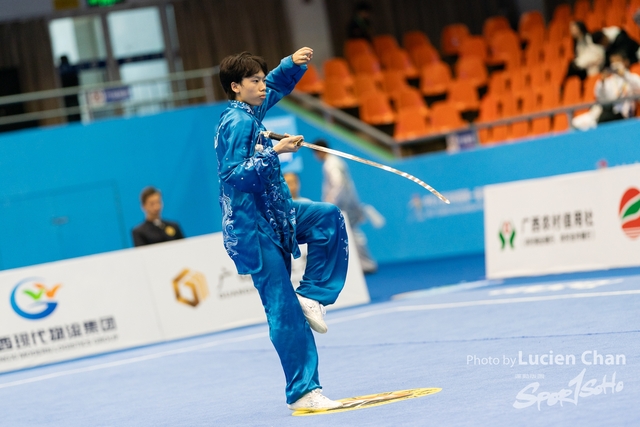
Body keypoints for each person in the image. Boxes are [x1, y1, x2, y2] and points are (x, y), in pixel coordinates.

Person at [214, 47, 348, 412]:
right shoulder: (236, 122)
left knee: (327, 217)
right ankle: (304, 392)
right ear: (235, 87)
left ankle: (314, 295)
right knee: (281, 309)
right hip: (252, 230)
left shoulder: (251, 110)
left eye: (260, 79)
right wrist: (277, 152)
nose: (262, 86)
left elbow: (274, 86)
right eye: (254, 81)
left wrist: (290, 65)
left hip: (277, 213)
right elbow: (233, 173)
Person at [313, 139, 379, 274]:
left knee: (353, 234)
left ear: (319, 151)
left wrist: (330, 203)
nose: (315, 156)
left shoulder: (331, 164)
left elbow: (338, 184)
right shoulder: (334, 161)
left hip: (344, 206)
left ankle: (366, 264)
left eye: (315, 152)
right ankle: (363, 264)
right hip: (346, 204)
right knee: (352, 234)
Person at [572, 51, 640, 131]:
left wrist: (624, 75)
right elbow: (600, 97)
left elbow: (638, 86)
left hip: (623, 114)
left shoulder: (631, 77)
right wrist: (602, 82)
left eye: (617, 61)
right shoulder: (609, 81)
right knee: (575, 123)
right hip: (606, 113)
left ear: (625, 62)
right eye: (612, 62)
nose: (615, 64)